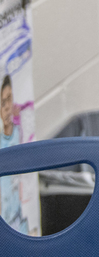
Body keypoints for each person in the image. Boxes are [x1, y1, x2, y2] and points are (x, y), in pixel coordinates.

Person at [0, 74, 28, 235]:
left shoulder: (18, 133)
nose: (6, 107)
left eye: (9, 100)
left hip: (18, 216)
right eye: (2, 102)